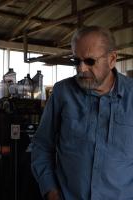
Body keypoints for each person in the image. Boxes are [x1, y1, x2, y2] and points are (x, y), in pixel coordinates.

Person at [31, 25, 133, 200]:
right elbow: (42, 145)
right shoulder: (62, 93)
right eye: (76, 61)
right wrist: (51, 191)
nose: (81, 69)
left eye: (90, 61)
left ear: (112, 59)